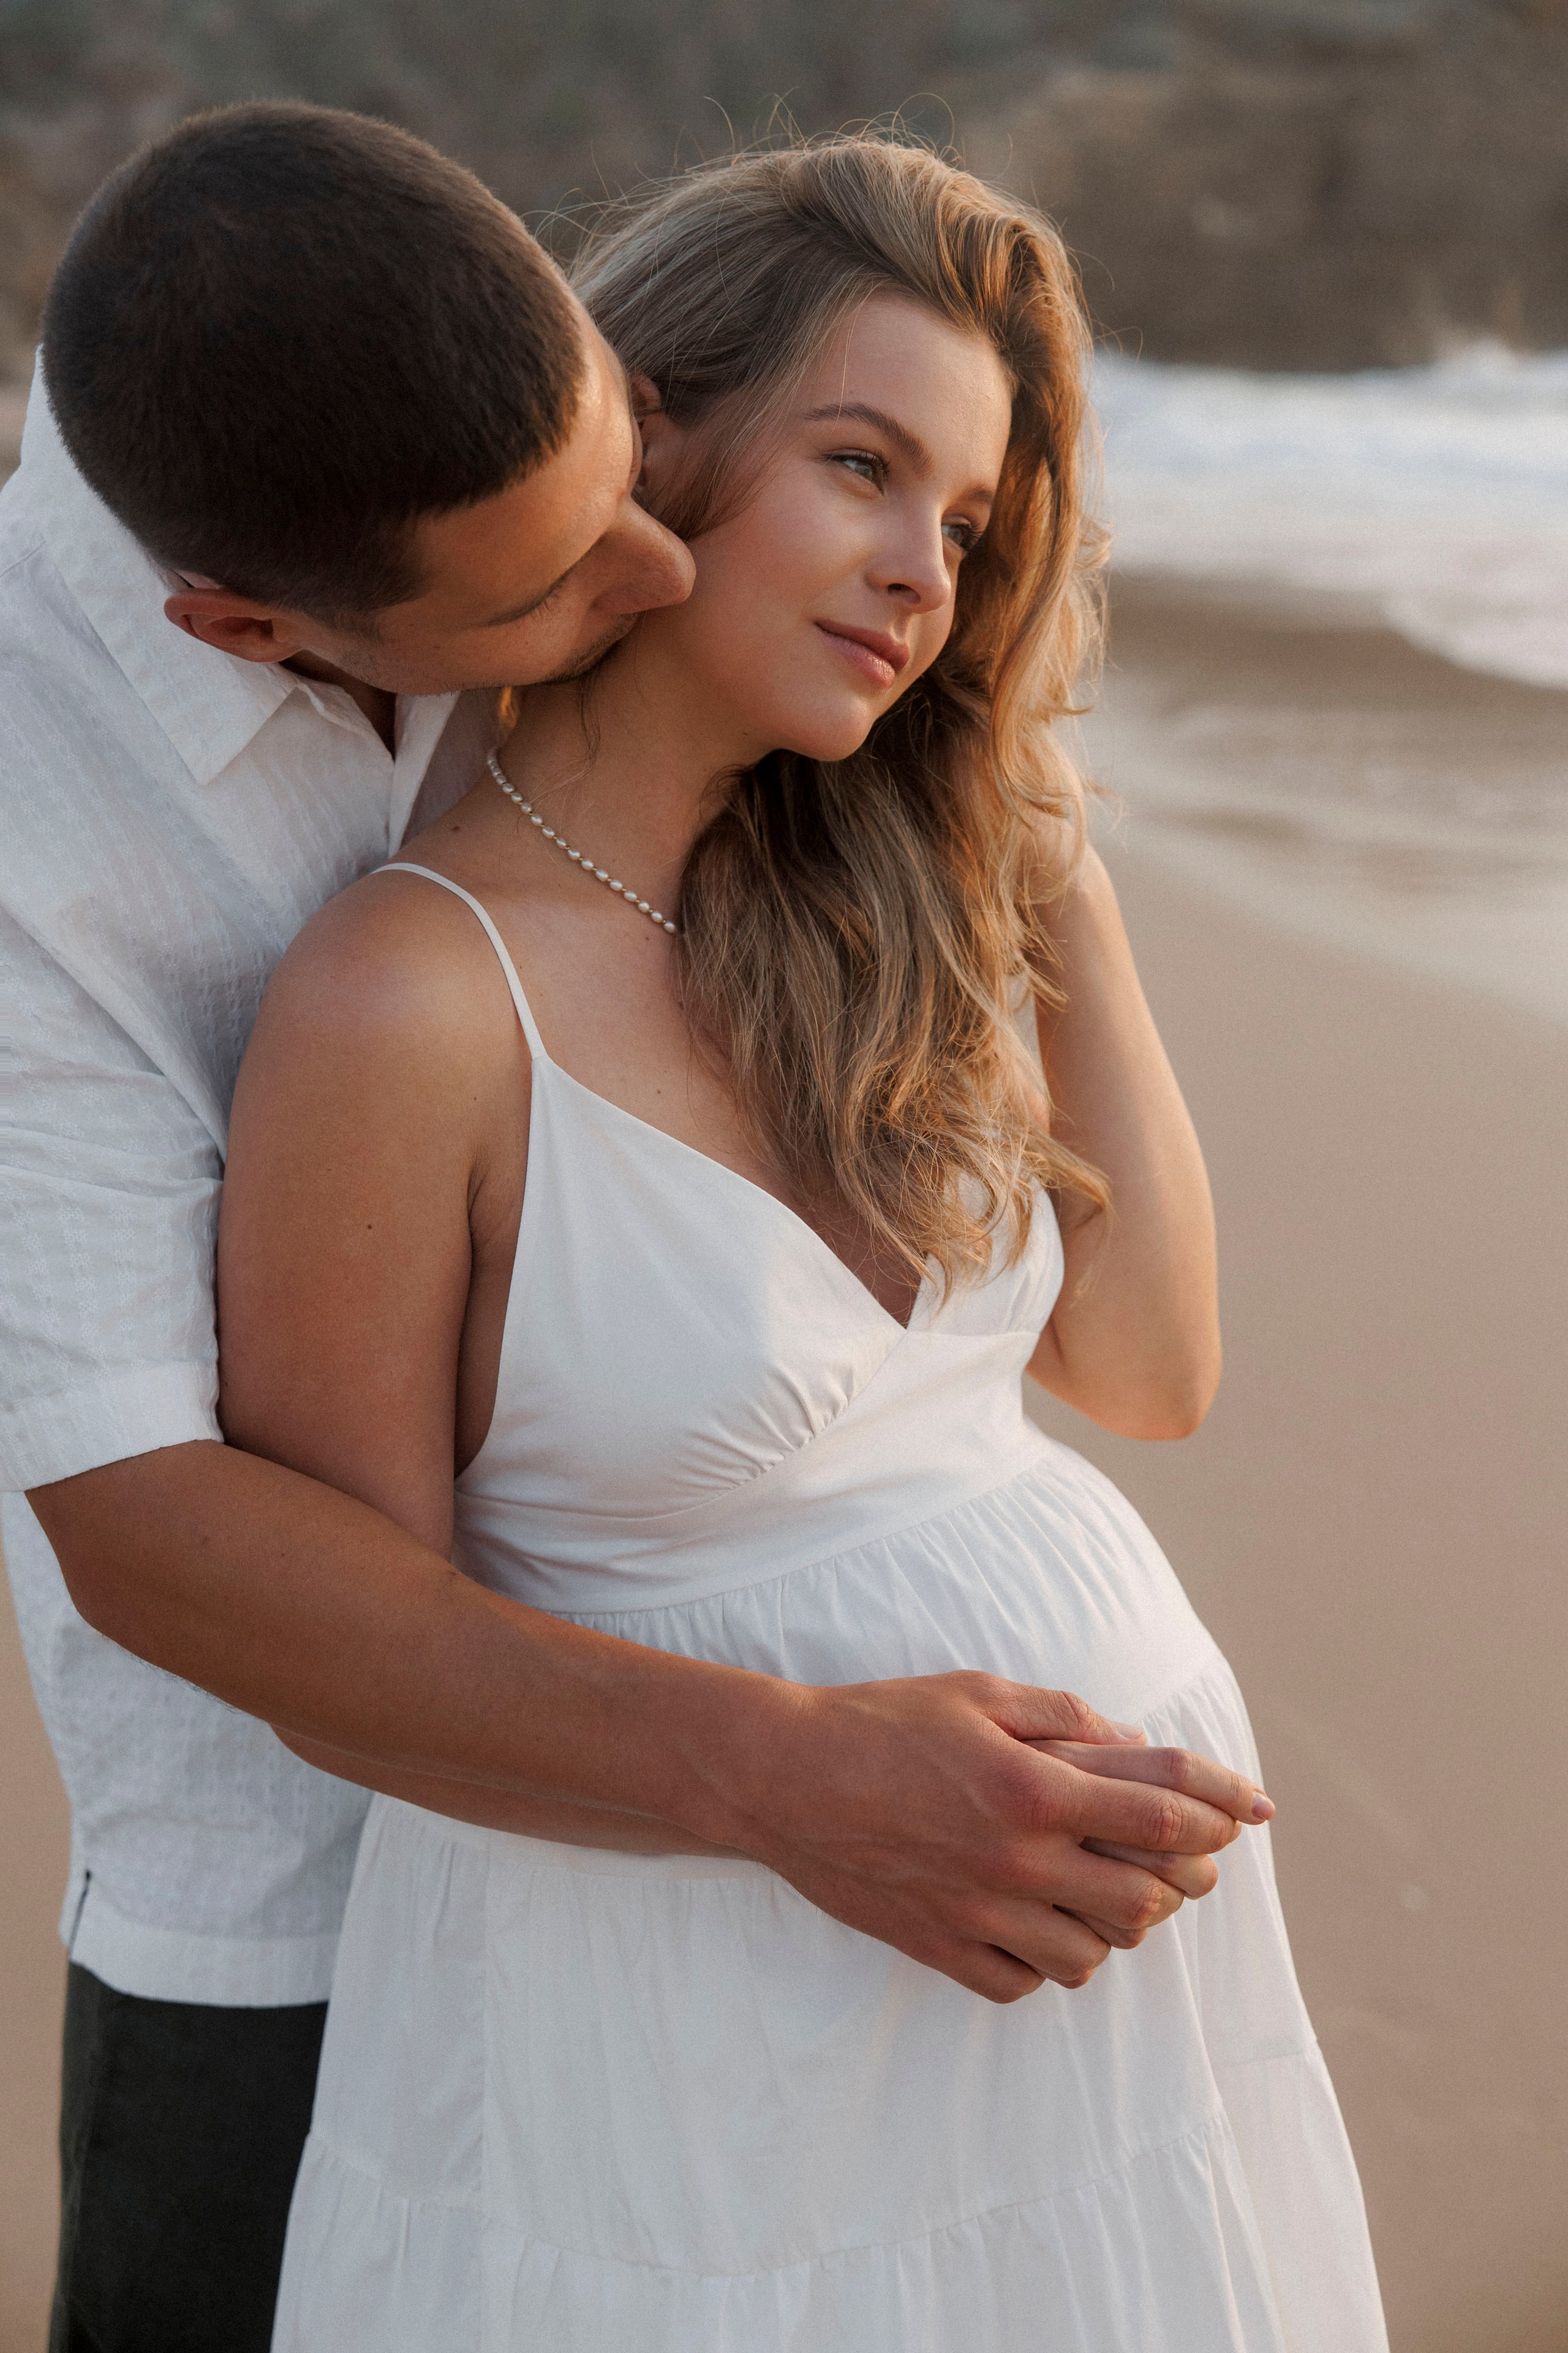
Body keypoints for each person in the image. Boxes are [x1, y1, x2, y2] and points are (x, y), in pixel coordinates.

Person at [2, 107, 1265, 2353]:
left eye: (961, 515)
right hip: (384, 1928)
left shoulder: (814, 854)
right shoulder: (105, 853)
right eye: (552, 586)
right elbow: (161, 1524)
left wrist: (1011, 800)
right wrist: (801, 1778)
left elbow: (1153, 1367)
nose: (645, 577)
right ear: (258, 627)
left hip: (1047, 2034)